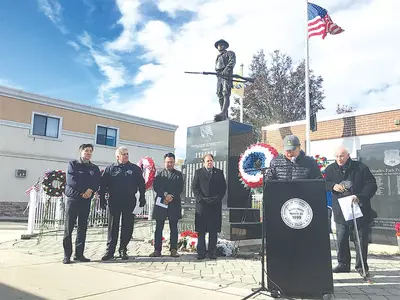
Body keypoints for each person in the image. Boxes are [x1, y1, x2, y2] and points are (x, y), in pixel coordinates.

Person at [325, 146, 377, 277]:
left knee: (360, 239)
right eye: (336, 156)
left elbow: (372, 184)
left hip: (359, 208)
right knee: (341, 238)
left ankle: (361, 266)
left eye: (341, 156)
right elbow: (323, 182)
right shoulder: (330, 169)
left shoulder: (360, 168)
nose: (339, 159)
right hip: (340, 210)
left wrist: (360, 196)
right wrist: (332, 186)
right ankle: (343, 264)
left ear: (348, 155)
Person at [100, 146, 146, 260]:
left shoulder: (135, 169)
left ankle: (123, 249)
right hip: (114, 200)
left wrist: (142, 197)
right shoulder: (110, 168)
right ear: (117, 156)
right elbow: (103, 185)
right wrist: (101, 198)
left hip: (129, 200)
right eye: (123, 154)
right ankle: (110, 251)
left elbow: (141, 184)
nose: (126, 156)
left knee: (128, 225)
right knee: (113, 226)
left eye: (127, 154)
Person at [63, 144, 101, 264]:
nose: (88, 153)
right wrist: (83, 192)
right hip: (73, 199)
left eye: (90, 151)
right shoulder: (73, 164)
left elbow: (96, 181)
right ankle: (67, 255)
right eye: (86, 151)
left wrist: (90, 190)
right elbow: (71, 181)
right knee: (68, 228)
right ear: (81, 152)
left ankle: (79, 254)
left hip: (86, 200)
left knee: (82, 228)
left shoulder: (94, 168)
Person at [191, 154, 227, 259]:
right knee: (201, 230)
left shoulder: (219, 173)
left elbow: (223, 188)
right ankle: (201, 252)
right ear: (204, 162)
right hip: (202, 205)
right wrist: (201, 198)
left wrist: (216, 198)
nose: (209, 163)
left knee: (213, 230)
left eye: (211, 161)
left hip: (214, 205)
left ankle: (212, 252)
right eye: (207, 161)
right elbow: (195, 187)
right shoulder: (198, 172)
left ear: (213, 161)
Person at [149, 153, 184, 258]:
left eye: (171, 162)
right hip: (161, 204)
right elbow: (156, 186)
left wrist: (171, 196)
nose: (169, 164)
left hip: (174, 203)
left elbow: (180, 187)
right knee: (159, 227)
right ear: (164, 162)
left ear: (174, 162)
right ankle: (157, 250)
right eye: (167, 162)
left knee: (174, 228)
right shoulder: (159, 174)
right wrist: (165, 195)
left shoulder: (178, 174)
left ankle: (173, 249)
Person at [214, 39, 236, 121]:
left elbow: (232, 62)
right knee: (219, 95)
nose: (220, 46)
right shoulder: (218, 57)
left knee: (225, 93)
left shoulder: (230, 53)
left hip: (226, 76)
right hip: (219, 77)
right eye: (218, 45)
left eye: (221, 44)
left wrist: (225, 71)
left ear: (224, 46)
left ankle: (223, 112)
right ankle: (224, 115)